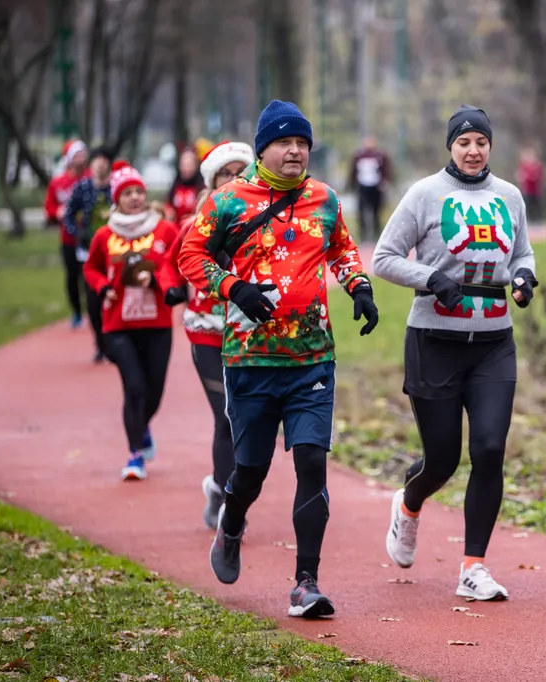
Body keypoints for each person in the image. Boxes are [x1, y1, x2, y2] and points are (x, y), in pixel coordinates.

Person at [178, 100, 379, 619]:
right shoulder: (227, 201)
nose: (295, 151)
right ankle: (231, 523)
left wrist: (359, 288)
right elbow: (190, 255)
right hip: (249, 359)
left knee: (312, 462)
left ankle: (305, 584)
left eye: (303, 143)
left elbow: (341, 249)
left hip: (313, 359)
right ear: (263, 146)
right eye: (285, 142)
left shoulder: (325, 198)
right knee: (251, 470)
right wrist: (234, 288)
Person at [372, 104, 537, 602]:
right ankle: (409, 503)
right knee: (441, 461)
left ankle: (473, 567)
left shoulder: (509, 196)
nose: (473, 150)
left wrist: (526, 277)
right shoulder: (424, 194)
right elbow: (382, 258)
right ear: (451, 147)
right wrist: (431, 279)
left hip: (493, 345)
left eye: (481, 142)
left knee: (489, 451)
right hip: (435, 343)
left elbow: (522, 253)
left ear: (490, 146)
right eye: (464, 142)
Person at [164, 140, 256, 530]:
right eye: (225, 174)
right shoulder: (194, 221)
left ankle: (221, 490)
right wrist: (171, 286)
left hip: (247, 331)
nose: (233, 180)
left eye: (240, 172)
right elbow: (170, 262)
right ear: (212, 179)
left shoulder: (259, 219)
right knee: (226, 417)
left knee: (246, 420)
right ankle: (225, 499)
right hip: (205, 330)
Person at [83, 161, 180, 481]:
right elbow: (91, 269)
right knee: (134, 387)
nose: (136, 198)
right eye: (128, 193)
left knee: (154, 392)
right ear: (117, 199)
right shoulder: (104, 235)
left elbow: (179, 261)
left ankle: (142, 426)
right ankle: (135, 454)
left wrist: (162, 282)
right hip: (118, 325)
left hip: (157, 323)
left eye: (139, 191)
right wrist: (103, 287)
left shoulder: (164, 230)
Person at [64, 145, 114, 363]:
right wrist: (78, 233)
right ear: (91, 164)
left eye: (104, 159)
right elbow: (67, 215)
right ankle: (100, 343)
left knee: (113, 298)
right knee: (93, 303)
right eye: (97, 160)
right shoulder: (81, 188)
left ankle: (115, 342)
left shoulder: (116, 189)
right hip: (88, 253)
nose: (100, 164)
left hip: (115, 253)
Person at [45, 139, 90, 329]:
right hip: (68, 238)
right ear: (69, 158)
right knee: (72, 277)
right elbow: (49, 206)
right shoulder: (58, 182)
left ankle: (93, 311)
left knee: (88, 276)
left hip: (89, 237)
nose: (81, 158)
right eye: (77, 154)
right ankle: (77, 313)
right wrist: (58, 212)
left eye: (83, 154)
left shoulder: (91, 178)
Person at [348, 136, 393, 243]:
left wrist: (385, 182)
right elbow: (353, 170)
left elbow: (386, 169)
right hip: (362, 186)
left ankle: (377, 234)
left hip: (376, 187)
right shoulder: (359, 155)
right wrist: (351, 184)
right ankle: (363, 236)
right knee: (361, 211)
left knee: (376, 211)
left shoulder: (380, 155)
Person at [168, 147, 207, 225]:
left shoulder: (202, 188)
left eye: (189, 165)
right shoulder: (175, 185)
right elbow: (169, 205)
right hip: (177, 229)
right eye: (184, 165)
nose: (186, 169)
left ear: (196, 165)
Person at [515, 146, 543, 223]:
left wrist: (528, 176)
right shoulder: (523, 165)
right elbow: (520, 176)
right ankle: (528, 220)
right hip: (526, 190)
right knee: (527, 206)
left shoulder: (537, 165)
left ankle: (537, 220)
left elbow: (536, 177)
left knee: (536, 206)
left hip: (535, 190)